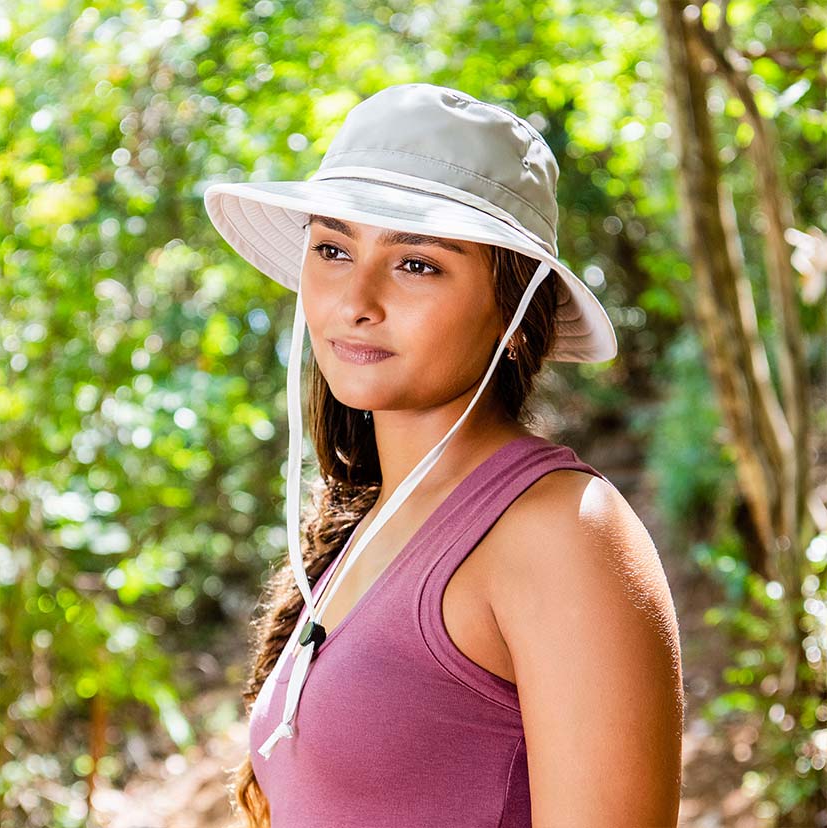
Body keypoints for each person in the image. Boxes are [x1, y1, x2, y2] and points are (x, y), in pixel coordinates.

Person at [204, 83, 684, 827]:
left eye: (417, 264)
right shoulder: (363, 522)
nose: (354, 299)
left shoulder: (564, 533)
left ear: (516, 318)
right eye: (332, 249)